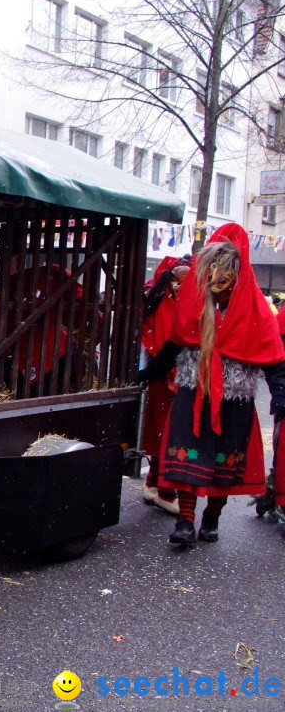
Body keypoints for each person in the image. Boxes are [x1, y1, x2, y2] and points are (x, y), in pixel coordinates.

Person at [141, 224, 285, 547]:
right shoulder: (194, 304)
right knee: (186, 457)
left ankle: (212, 517)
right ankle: (186, 521)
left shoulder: (255, 310)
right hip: (194, 391)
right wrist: (151, 372)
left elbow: (274, 359)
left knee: (224, 462)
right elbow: (175, 343)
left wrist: (280, 394)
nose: (217, 288)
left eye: (223, 281)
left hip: (233, 399)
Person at [139, 255, 190, 515]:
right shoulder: (163, 300)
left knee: (167, 431)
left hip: (175, 372)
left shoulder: (177, 299)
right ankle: (164, 489)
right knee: (166, 431)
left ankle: (154, 483)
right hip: (166, 375)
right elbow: (164, 336)